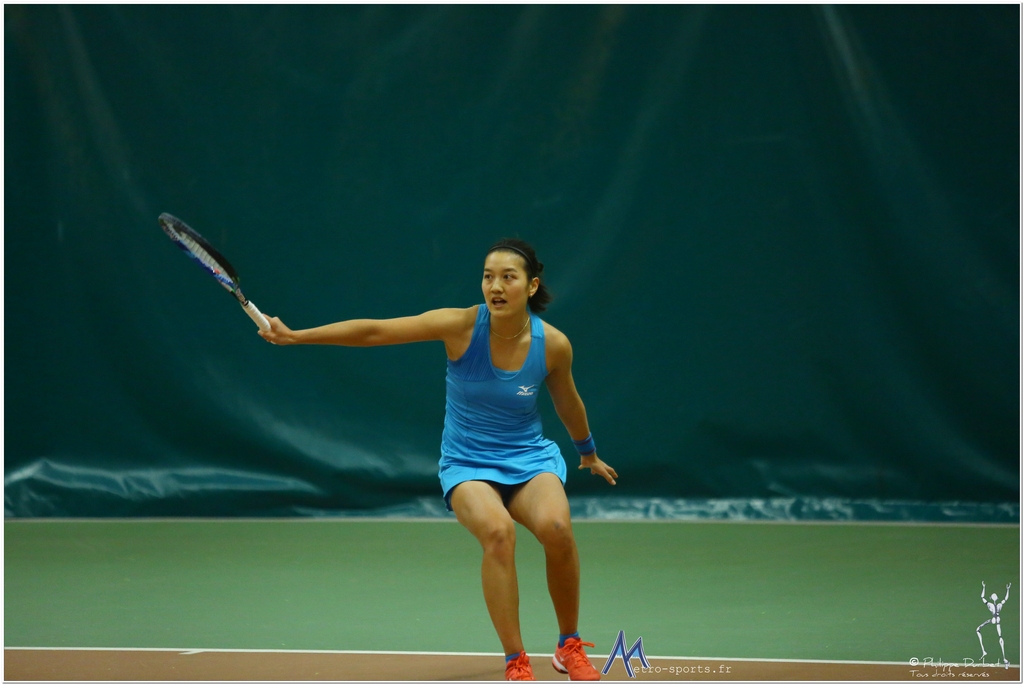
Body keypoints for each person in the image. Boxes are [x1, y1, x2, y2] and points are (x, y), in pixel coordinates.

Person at [258, 238, 618, 681]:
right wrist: (297, 335)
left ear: (531, 285)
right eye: (488, 276)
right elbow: (376, 331)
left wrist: (587, 452)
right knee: (498, 533)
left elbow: (568, 401)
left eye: (508, 277)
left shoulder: (553, 345)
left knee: (558, 530)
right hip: (467, 464)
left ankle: (569, 645)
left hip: (528, 459)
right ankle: (516, 659)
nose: (495, 286)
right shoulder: (460, 326)